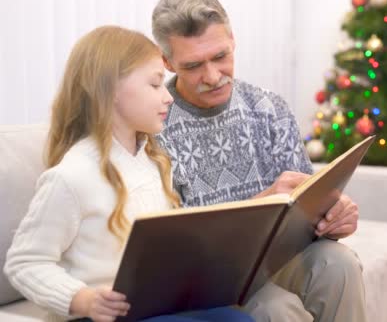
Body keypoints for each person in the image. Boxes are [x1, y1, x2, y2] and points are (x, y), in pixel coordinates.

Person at [3, 26, 253, 322]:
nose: (169, 97)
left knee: (239, 319)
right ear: (111, 91)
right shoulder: (71, 176)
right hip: (100, 315)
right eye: (156, 84)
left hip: (154, 305)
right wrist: (82, 299)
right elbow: (24, 262)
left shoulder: (154, 160)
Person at [152, 0, 367, 322]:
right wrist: (260, 202)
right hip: (212, 277)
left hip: (280, 258)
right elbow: (170, 246)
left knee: (340, 265)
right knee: (276, 309)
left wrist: (334, 218)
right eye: (193, 66)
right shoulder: (153, 125)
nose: (212, 76)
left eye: (220, 56)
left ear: (233, 40)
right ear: (167, 63)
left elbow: (308, 207)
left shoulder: (268, 108)